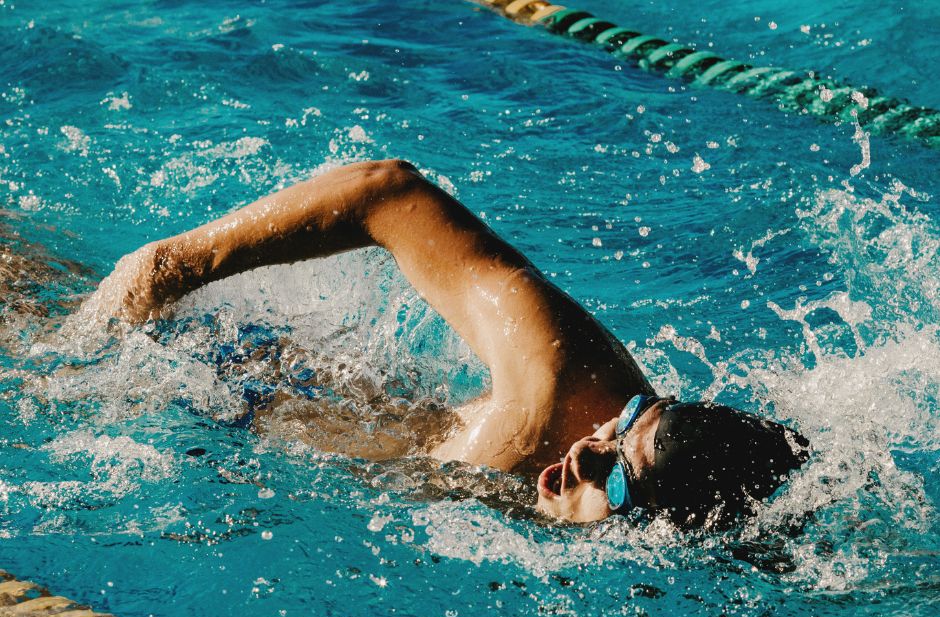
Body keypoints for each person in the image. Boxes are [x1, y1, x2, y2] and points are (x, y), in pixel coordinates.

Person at [80, 159, 808, 525]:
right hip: (206, 385)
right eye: (625, 424)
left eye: (615, 476)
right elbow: (386, 190)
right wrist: (174, 266)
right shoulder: (556, 388)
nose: (587, 448)